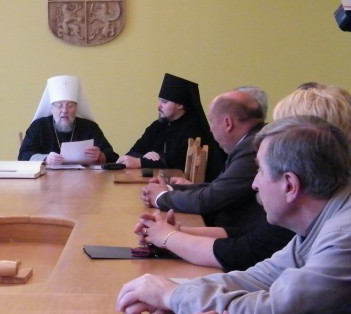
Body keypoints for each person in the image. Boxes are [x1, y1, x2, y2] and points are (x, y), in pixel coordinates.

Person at [117, 115, 351, 313]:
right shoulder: (320, 219)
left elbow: (275, 308)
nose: (255, 184)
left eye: (260, 171)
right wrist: (174, 291)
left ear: (289, 185)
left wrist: (173, 296)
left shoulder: (344, 234)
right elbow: (260, 277)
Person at [133, 85, 351, 271]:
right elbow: (255, 239)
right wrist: (175, 234)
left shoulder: (333, 226)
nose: (255, 183)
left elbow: (248, 255)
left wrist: (170, 239)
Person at [141, 90, 265, 229]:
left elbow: (210, 200)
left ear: (227, 123)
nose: (210, 130)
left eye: (211, 121)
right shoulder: (251, 141)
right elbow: (219, 187)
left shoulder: (252, 147)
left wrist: (161, 197)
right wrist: (169, 189)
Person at [118, 73, 224, 181]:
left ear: (180, 105)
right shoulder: (157, 126)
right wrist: (144, 156)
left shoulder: (194, 128)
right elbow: (133, 152)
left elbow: (179, 160)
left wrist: (142, 162)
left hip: (179, 186)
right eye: (159, 100)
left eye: (164, 102)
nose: (158, 106)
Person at [18, 75, 118, 165]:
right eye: (59, 106)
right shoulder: (38, 126)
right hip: (46, 179)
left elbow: (112, 156)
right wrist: (45, 159)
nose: (64, 110)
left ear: (76, 108)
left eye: (70, 106)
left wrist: (100, 156)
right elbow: (23, 155)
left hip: (84, 178)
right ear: (51, 108)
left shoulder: (90, 127)